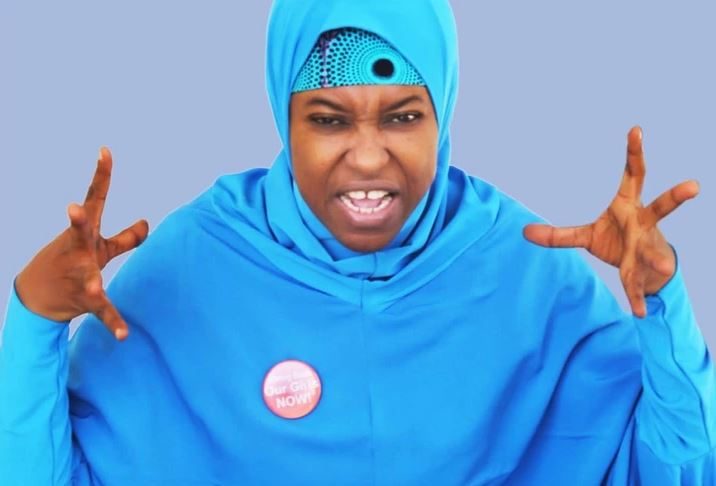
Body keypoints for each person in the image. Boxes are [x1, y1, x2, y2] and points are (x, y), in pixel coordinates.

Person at [1, 0, 713, 484]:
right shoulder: (194, 264)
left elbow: (674, 468)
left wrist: (663, 302)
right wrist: (34, 322)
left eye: (403, 117)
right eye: (329, 120)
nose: (368, 157)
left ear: (444, 115)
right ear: (284, 119)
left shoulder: (527, 270)